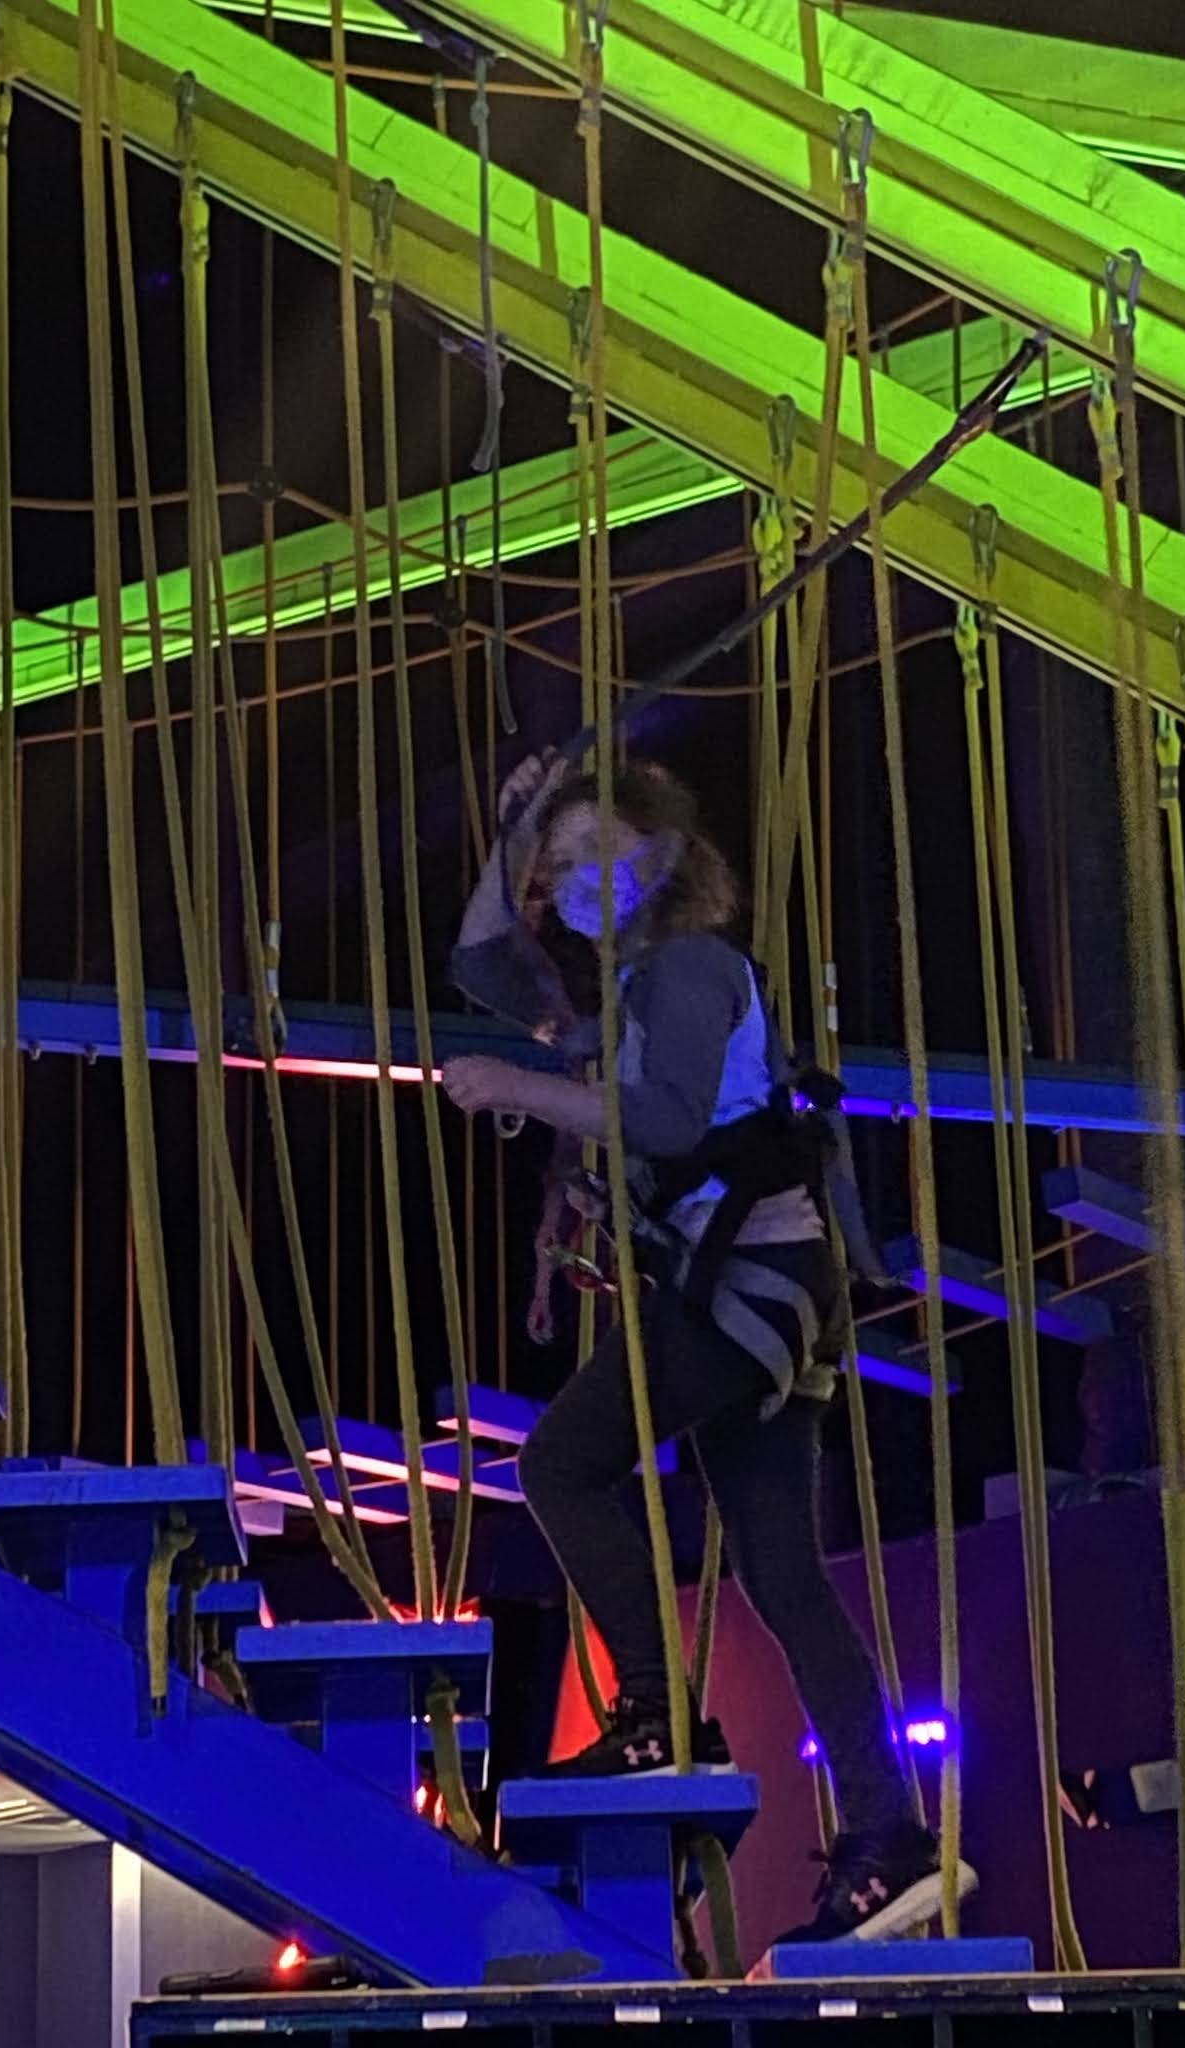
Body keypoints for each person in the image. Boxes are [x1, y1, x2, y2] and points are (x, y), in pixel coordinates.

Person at [441, 751, 975, 1943]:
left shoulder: (687, 967)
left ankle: (653, 1712)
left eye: (601, 853)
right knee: (784, 1574)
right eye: (561, 868)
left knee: (561, 1463)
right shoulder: (627, 995)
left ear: (667, 856)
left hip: (748, 1285)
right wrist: (518, 827)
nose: (577, 882)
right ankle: (889, 1832)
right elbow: (482, 962)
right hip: (762, 1293)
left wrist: (511, 1085)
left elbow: (668, 1120)